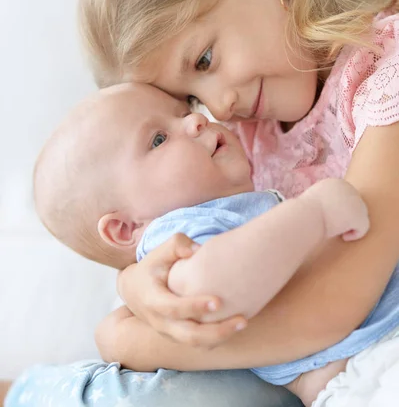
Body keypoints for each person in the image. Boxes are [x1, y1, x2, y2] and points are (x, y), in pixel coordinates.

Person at [5, 0, 399, 406]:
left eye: (206, 59)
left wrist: (128, 338)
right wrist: (132, 291)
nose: (219, 107)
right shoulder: (249, 139)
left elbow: (333, 308)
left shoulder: (381, 72)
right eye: (190, 99)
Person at [32, 81, 369, 406]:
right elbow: (209, 291)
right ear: (125, 227)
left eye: (184, 111)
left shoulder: (227, 205)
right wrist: (316, 214)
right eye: (159, 139)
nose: (197, 121)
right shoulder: (175, 233)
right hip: (356, 369)